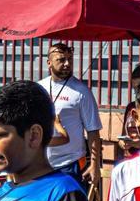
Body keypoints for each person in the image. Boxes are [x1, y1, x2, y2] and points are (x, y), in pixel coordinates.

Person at [37, 43, 102, 192]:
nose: (67, 64)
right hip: (42, 164)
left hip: (70, 164)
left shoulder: (81, 91)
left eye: (70, 59)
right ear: (49, 63)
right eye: (61, 60)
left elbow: (93, 130)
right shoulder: (39, 88)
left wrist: (94, 165)